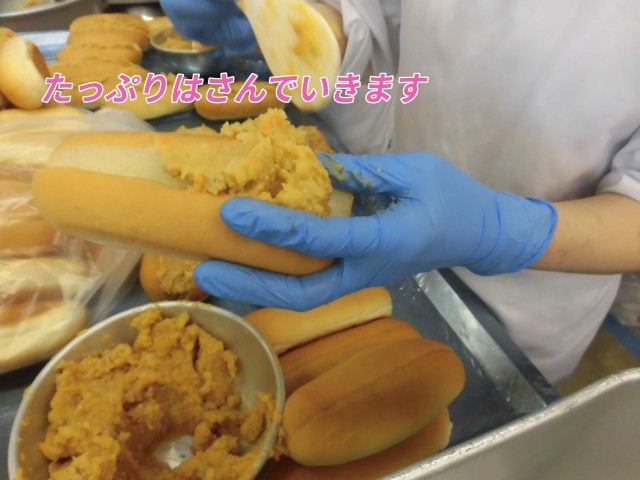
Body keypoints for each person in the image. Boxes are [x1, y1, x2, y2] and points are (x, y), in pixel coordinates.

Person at [160, 0, 640, 385]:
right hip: (385, 217)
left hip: (532, 292)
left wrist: (498, 230)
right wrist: (290, 23)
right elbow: (379, 18)